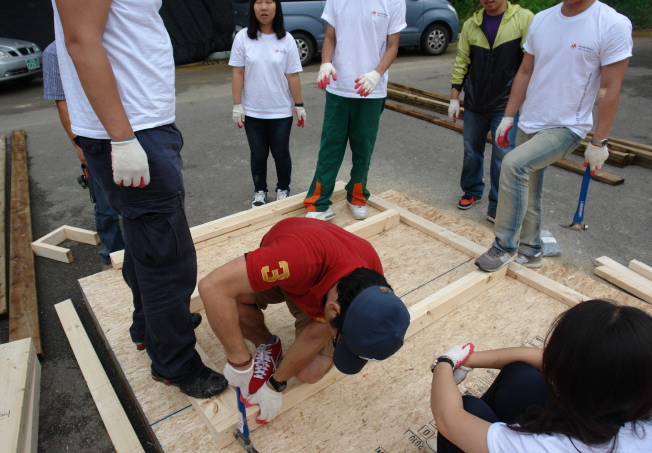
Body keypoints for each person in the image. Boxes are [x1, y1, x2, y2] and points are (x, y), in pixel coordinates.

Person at [52, 0, 227, 398]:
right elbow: (81, 40)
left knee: (145, 239)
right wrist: (123, 138)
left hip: (140, 125)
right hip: (132, 129)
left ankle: (150, 326)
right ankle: (175, 364)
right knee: (168, 259)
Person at [198, 217, 410, 423]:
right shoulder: (293, 258)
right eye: (341, 338)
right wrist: (239, 362)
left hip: (314, 283)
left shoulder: (370, 283)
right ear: (333, 310)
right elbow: (212, 287)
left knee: (309, 372)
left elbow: (313, 337)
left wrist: (274, 385)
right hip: (294, 272)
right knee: (231, 298)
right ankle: (267, 344)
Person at [475, 0, 632, 272]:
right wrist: (509, 116)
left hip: (568, 126)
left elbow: (610, 87)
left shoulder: (611, 24)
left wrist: (599, 140)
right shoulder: (542, 19)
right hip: (531, 119)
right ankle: (530, 251)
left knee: (514, 165)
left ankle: (504, 245)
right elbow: (526, 71)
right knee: (528, 189)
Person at [429, 299, 652, 453]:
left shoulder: (551, 448)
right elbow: (548, 359)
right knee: (521, 376)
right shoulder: (636, 391)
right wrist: (467, 360)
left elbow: (449, 419)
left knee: (468, 409)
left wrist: (445, 363)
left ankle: (471, 441)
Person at [303, 0, 406, 221]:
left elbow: (393, 46)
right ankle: (318, 203)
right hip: (339, 87)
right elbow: (330, 37)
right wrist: (325, 62)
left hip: (370, 89)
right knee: (330, 147)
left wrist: (377, 73)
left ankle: (357, 197)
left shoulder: (394, 2)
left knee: (363, 149)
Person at [42, 41, 125, 271]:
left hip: (127, 128)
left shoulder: (110, 38)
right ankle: (112, 255)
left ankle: (142, 251)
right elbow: (63, 103)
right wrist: (77, 144)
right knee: (106, 203)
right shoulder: (54, 52)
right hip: (92, 138)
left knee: (142, 197)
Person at [448, 0, 533, 223]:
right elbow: (462, 61)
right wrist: (454, 98)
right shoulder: (471, 24)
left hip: (505, 105)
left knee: (503, 156)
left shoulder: (523, 19)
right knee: (471, 151)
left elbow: (530, 63)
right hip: (475, 102)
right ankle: (472, 190)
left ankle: (498, 203)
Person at [230, 0, 305, 209]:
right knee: (258, 154)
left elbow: (292, 75)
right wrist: (237, 105)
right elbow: (237, 72)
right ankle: (260, 191)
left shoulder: (286, 39)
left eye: (269, 2)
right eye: (259, 2)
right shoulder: (243, 37)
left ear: (276, 7)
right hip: (252, 111)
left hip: (280, 111)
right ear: (252, 7)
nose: (264, 8)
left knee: (281, 153)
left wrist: (299, 105)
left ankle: (283, 189)